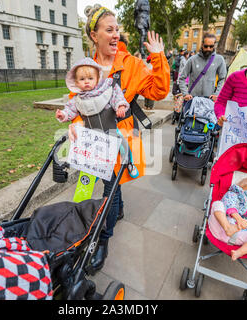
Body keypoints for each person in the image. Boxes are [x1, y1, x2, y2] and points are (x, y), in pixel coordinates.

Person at [69, 5, 169, 272]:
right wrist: (76, 123)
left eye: (117, 30)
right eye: (109, 30)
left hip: (119, 137)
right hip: (92, 137)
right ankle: (115, 210)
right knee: (96, 183)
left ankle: (103, 240)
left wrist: (158, 58)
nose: (115, 35)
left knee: (109, 187)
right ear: (94, 35)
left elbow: (159, 90)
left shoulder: (132, 65)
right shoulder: (85, 67)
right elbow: (77, 102)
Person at [56, 57, 129, 127]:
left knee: (119, 138)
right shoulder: (77, 99)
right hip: (91, 133)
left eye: (90, 78)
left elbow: (116, 95)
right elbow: (70, 110)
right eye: (82, 79)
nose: (86, 82)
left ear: (97, 79)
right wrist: (63, 114)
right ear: (76, 82)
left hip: (110, 128)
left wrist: (120, 106)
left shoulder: (105, 90)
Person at [208, 175, 247, 261]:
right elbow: (229, 204)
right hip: (220, 227)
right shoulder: (233, 195)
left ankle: (238, 252)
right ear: (241, 190)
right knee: (218, 204)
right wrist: (238, 219)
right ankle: (228, 228)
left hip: (238, 237)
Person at [179, 33, 227, 102]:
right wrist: (185, 94)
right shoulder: (192, 59)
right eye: (206, 46)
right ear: (202, 44)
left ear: (214, 46)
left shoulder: (219, 59)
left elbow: (222, 79)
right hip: (193, 100)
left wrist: (217, 94)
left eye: (211, 46)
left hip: (209, 101)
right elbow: (181, 78)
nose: (208, 49)